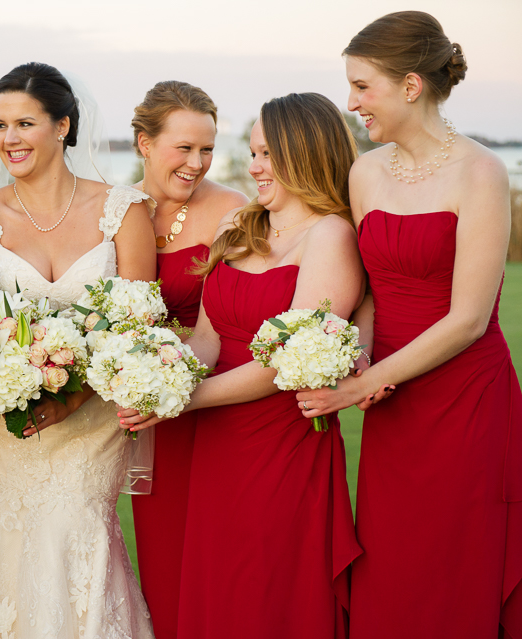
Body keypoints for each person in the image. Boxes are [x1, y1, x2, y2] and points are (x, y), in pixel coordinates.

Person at [296, 11, 522, 637]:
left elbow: (469, 319)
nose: (352, 103)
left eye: (362, 86)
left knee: (457, 563)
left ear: (411, 85)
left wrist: (356, 386)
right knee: (395, 564)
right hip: (392, 406)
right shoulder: (365, 171)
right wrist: (358, 358)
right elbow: (369, 292)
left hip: (466, 402)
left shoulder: (482, 173)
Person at [120, 93, 364, 638]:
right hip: (213, 437)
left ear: (307, 153)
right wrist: (162, 379)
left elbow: (286, 365)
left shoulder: (330, 237)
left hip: (276, 440)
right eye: (253, 153)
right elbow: (207, 336)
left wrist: (184, 400)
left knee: (264, 587)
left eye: (269, 155)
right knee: (214, 585)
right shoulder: (239, 224)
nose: (253, 167)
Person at [0, 61, 156, 638]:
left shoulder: (124, 212)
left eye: (24, 123)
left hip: (90, 423)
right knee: (1, 544)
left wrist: (73, 395)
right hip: (5, 427)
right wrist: (13, 380)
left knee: (78, 537)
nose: (9, 139)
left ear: (63, 126)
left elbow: (136, 329)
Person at [128, 80, 247, 639]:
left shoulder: (233, 212)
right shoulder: (114, 211)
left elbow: (235, 319)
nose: (198, 163)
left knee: (217, 556)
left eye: (207, 148)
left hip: (212, 404)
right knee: (160, 553)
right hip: (139, 409)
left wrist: (171, 378)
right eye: (184, 148)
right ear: (143, 143)